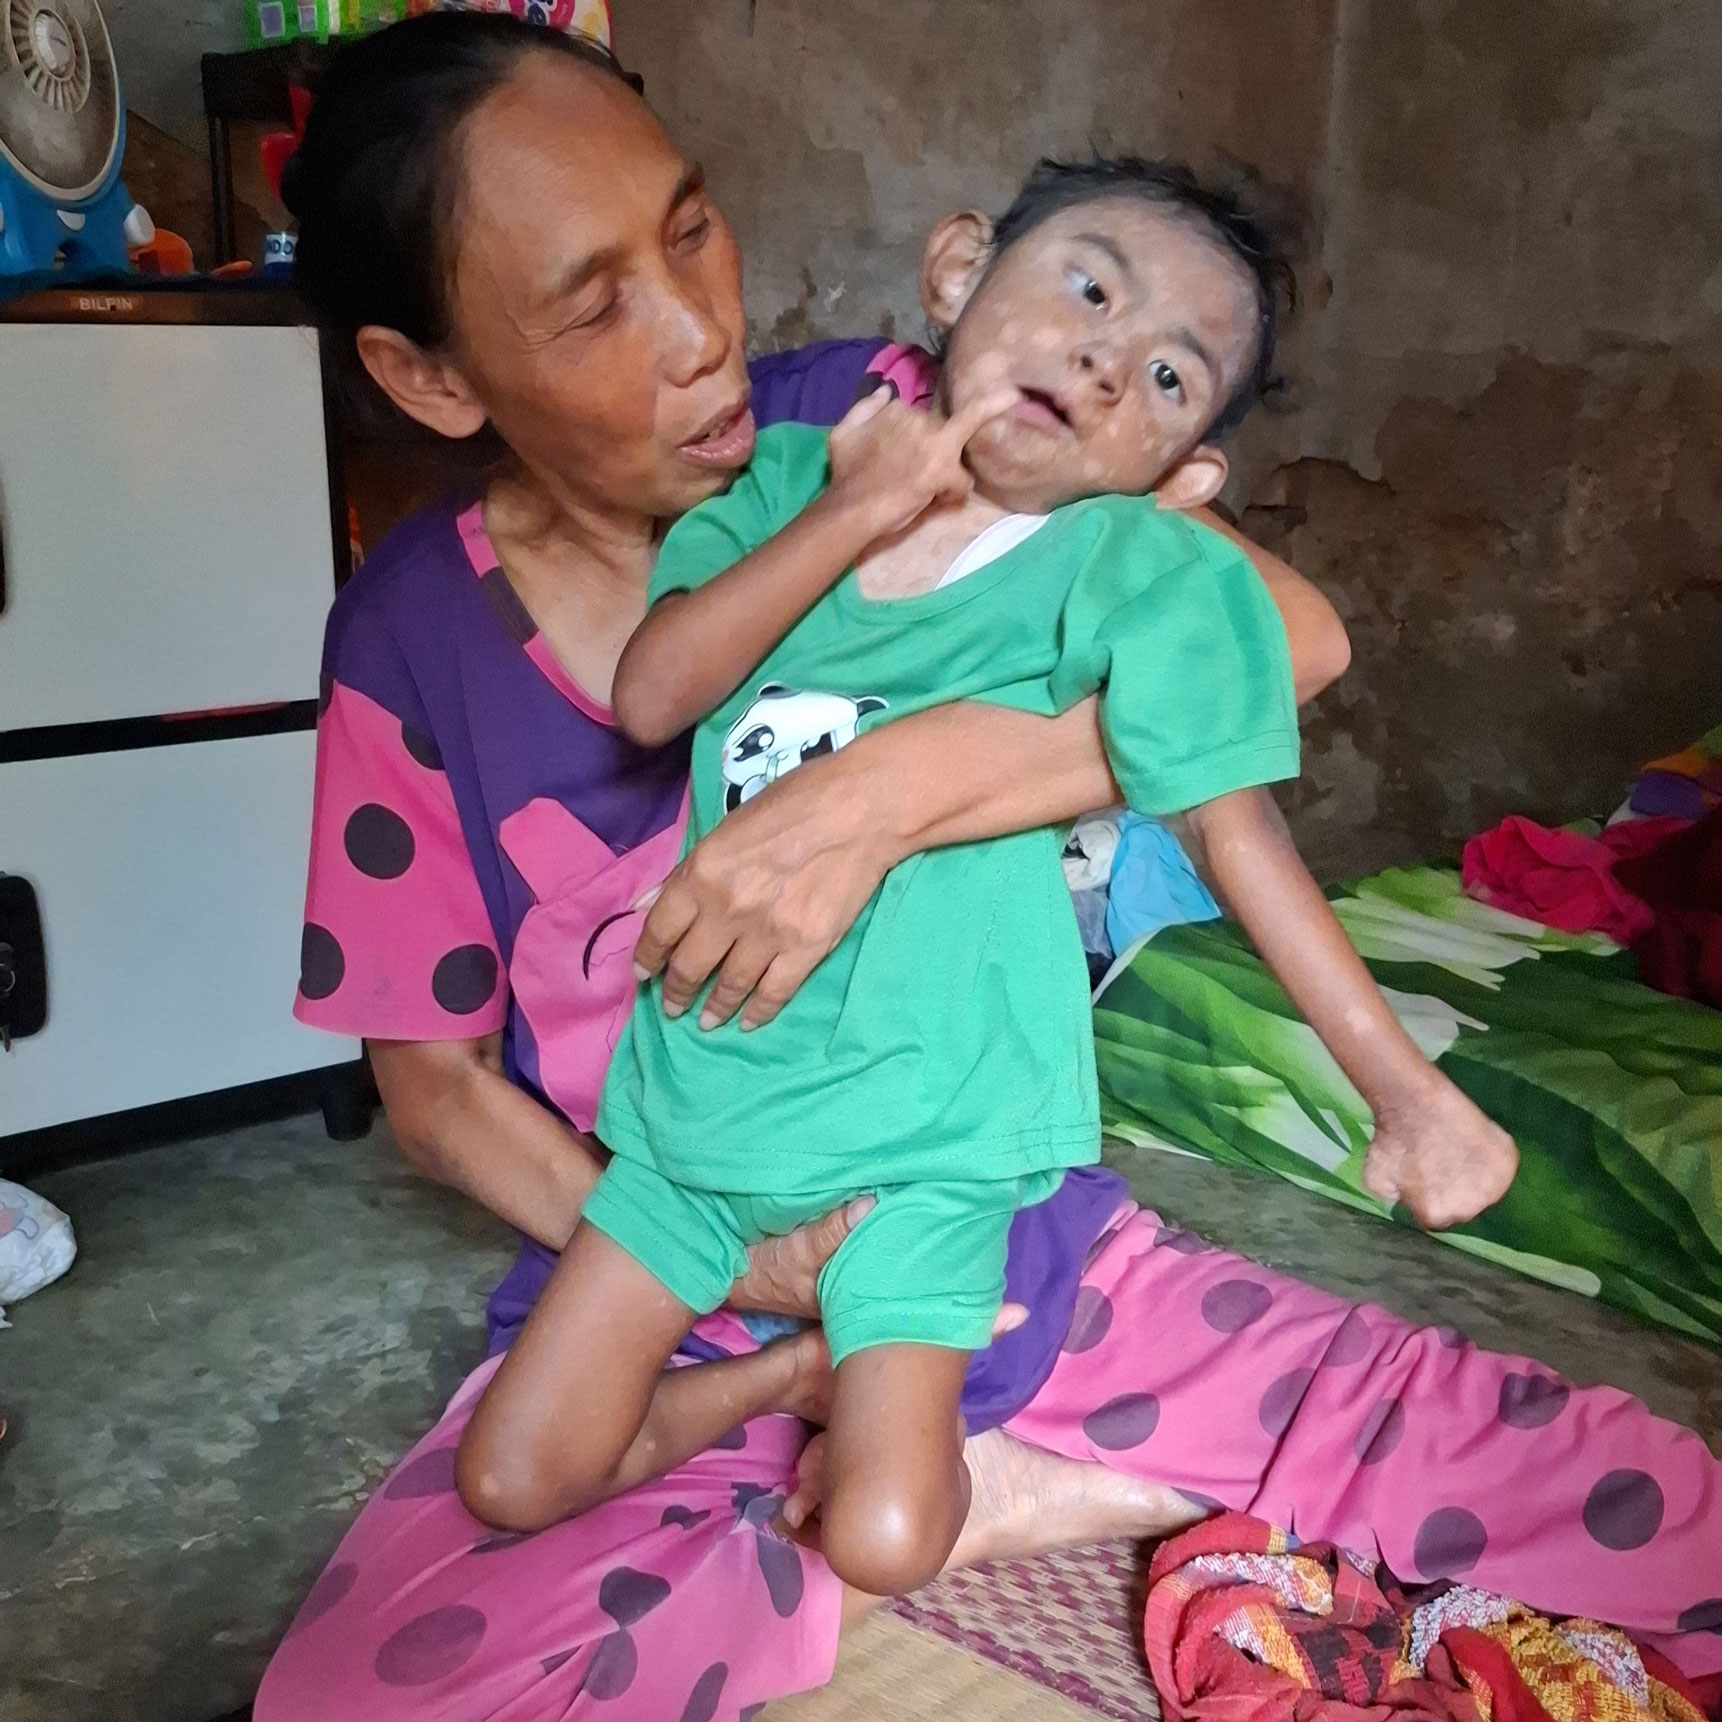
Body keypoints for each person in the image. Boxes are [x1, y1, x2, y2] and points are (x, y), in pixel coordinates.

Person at [255, 19, 1721, 1720]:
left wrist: (896, 787)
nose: (702, 333)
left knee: (1603, 1502)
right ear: (432, 376)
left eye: (691, 229)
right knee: (381, 1683)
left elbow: (1285, 643)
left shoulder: (891, 414)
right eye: (594, 306)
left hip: (978, 1223)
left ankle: (978, 1471)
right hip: (670, 1248)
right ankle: (973, 1480)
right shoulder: (408, 644)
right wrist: (747, 1276)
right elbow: (432, 1089)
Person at [451, 156, 1516, 1601]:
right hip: (701, 1117)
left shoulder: (1127, 571)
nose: (1104, 359)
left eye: (1167, 376)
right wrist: (856, 509)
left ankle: (1011, 1459)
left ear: (1181, 478)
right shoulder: (782, 480)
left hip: (929, 1142)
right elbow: (653, 696)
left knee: (883, 1541)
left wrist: (1405, 1091)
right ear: (956, 272)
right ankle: (783, 1379)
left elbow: (1236, 832)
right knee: (512, 1477)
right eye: (1087, 288)